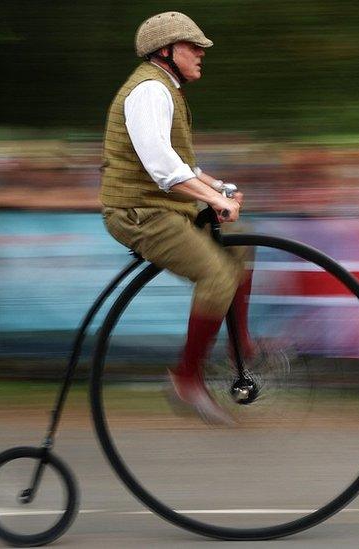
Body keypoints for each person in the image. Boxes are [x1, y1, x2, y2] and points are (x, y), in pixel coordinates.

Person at [99, 11, 253, 424]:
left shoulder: (165, 90)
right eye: (192, 46)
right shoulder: (150, 91)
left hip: (164, 207)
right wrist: (214, 200)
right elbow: (163, 168)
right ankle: (187, 377)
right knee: (217, 275)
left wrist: (218, 190)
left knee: (242, 244)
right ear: (165, 51)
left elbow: (184, 165)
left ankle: (241, 346)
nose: (201, 53)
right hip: (140, 214)